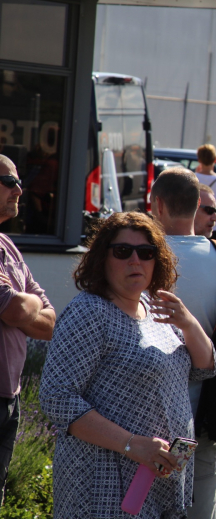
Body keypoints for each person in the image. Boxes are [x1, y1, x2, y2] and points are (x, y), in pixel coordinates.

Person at [40, 212, 216, 517]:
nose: (136, 260)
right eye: (123, 251)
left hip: (157, 483)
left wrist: (189, 323)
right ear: (102, 259)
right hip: (104, 486)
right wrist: (132, 445)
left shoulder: (154, 306)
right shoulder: (90, 312)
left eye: (146, 253)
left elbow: (204, 368)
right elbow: (57, 397)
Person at [150, 167, 216, 519]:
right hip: (205, 408)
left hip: (144, 409)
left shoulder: (140, 255)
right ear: (197, 206)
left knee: (141, 497)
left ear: (158, 205)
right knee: (200, 498)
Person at [0, 155, 55, 502]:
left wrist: (23, 308)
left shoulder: (8, 246)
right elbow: (18, 307)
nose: (19, 189)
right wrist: (25, 305)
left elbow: (49, 325)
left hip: (9, 396)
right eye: (8, 182)